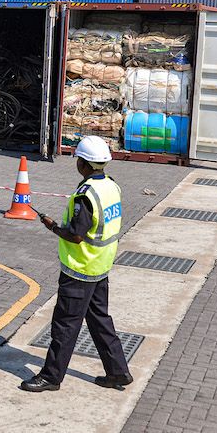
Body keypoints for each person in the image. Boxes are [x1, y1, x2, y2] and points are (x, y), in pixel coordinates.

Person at [20, 135, 133, 392]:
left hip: (80, 270)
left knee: (65, 325)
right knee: (100, 320)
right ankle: (117, 371)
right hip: (101, 267)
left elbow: (77, 234)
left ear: (83, 163)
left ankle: (51, 377)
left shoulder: (86, 194)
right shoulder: (112, 187)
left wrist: (53, 228)